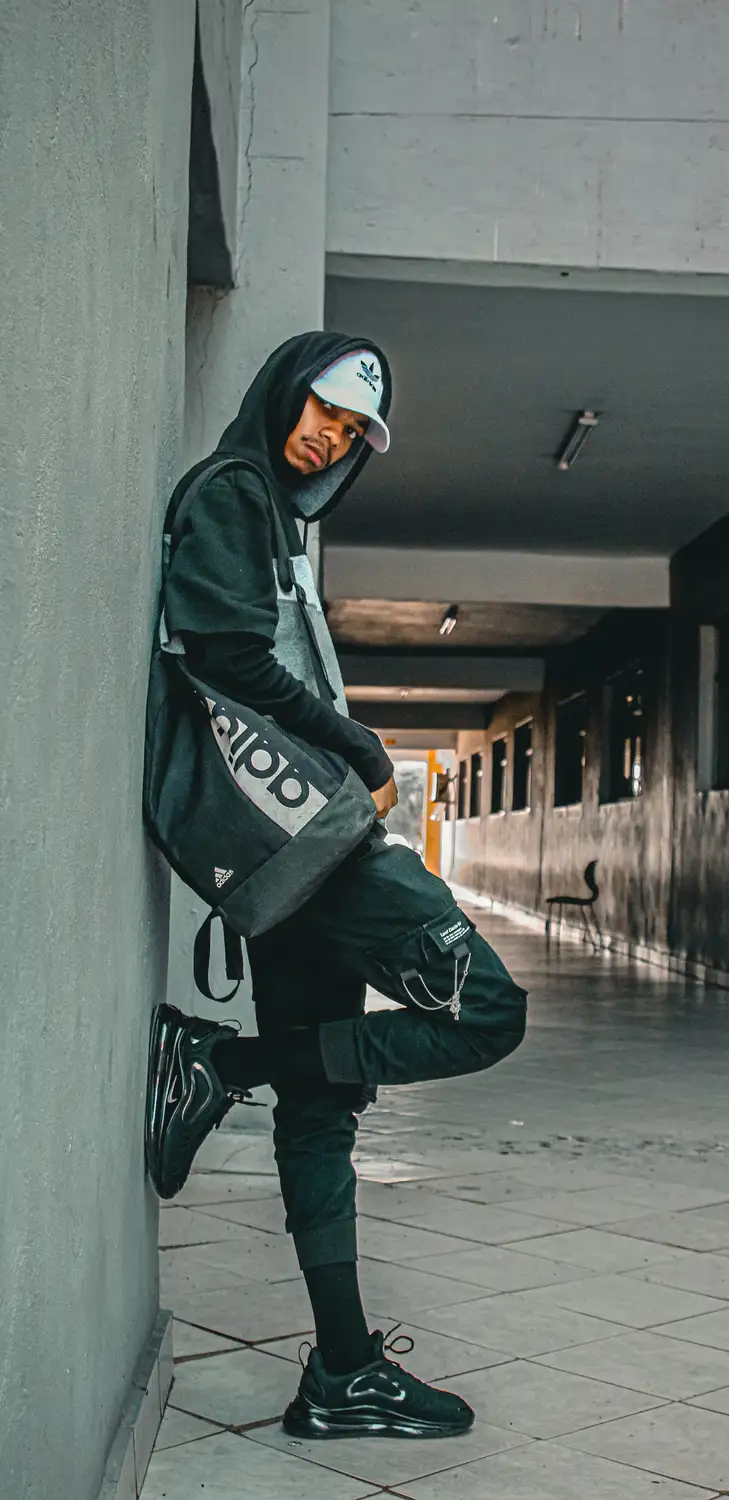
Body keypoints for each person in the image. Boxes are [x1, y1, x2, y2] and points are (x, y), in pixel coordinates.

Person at [146, 332, 527, 1440]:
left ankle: (343, 1373)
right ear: (284, 391)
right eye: (323, 409)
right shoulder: (234, 492)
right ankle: (221, 1061)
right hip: (310, 842)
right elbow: (222, 652)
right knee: (488, 1011)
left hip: (285, 852)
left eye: (352, 430)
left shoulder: (273, 517)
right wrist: (360, 750)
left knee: (316, 1118)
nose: (331, 435)